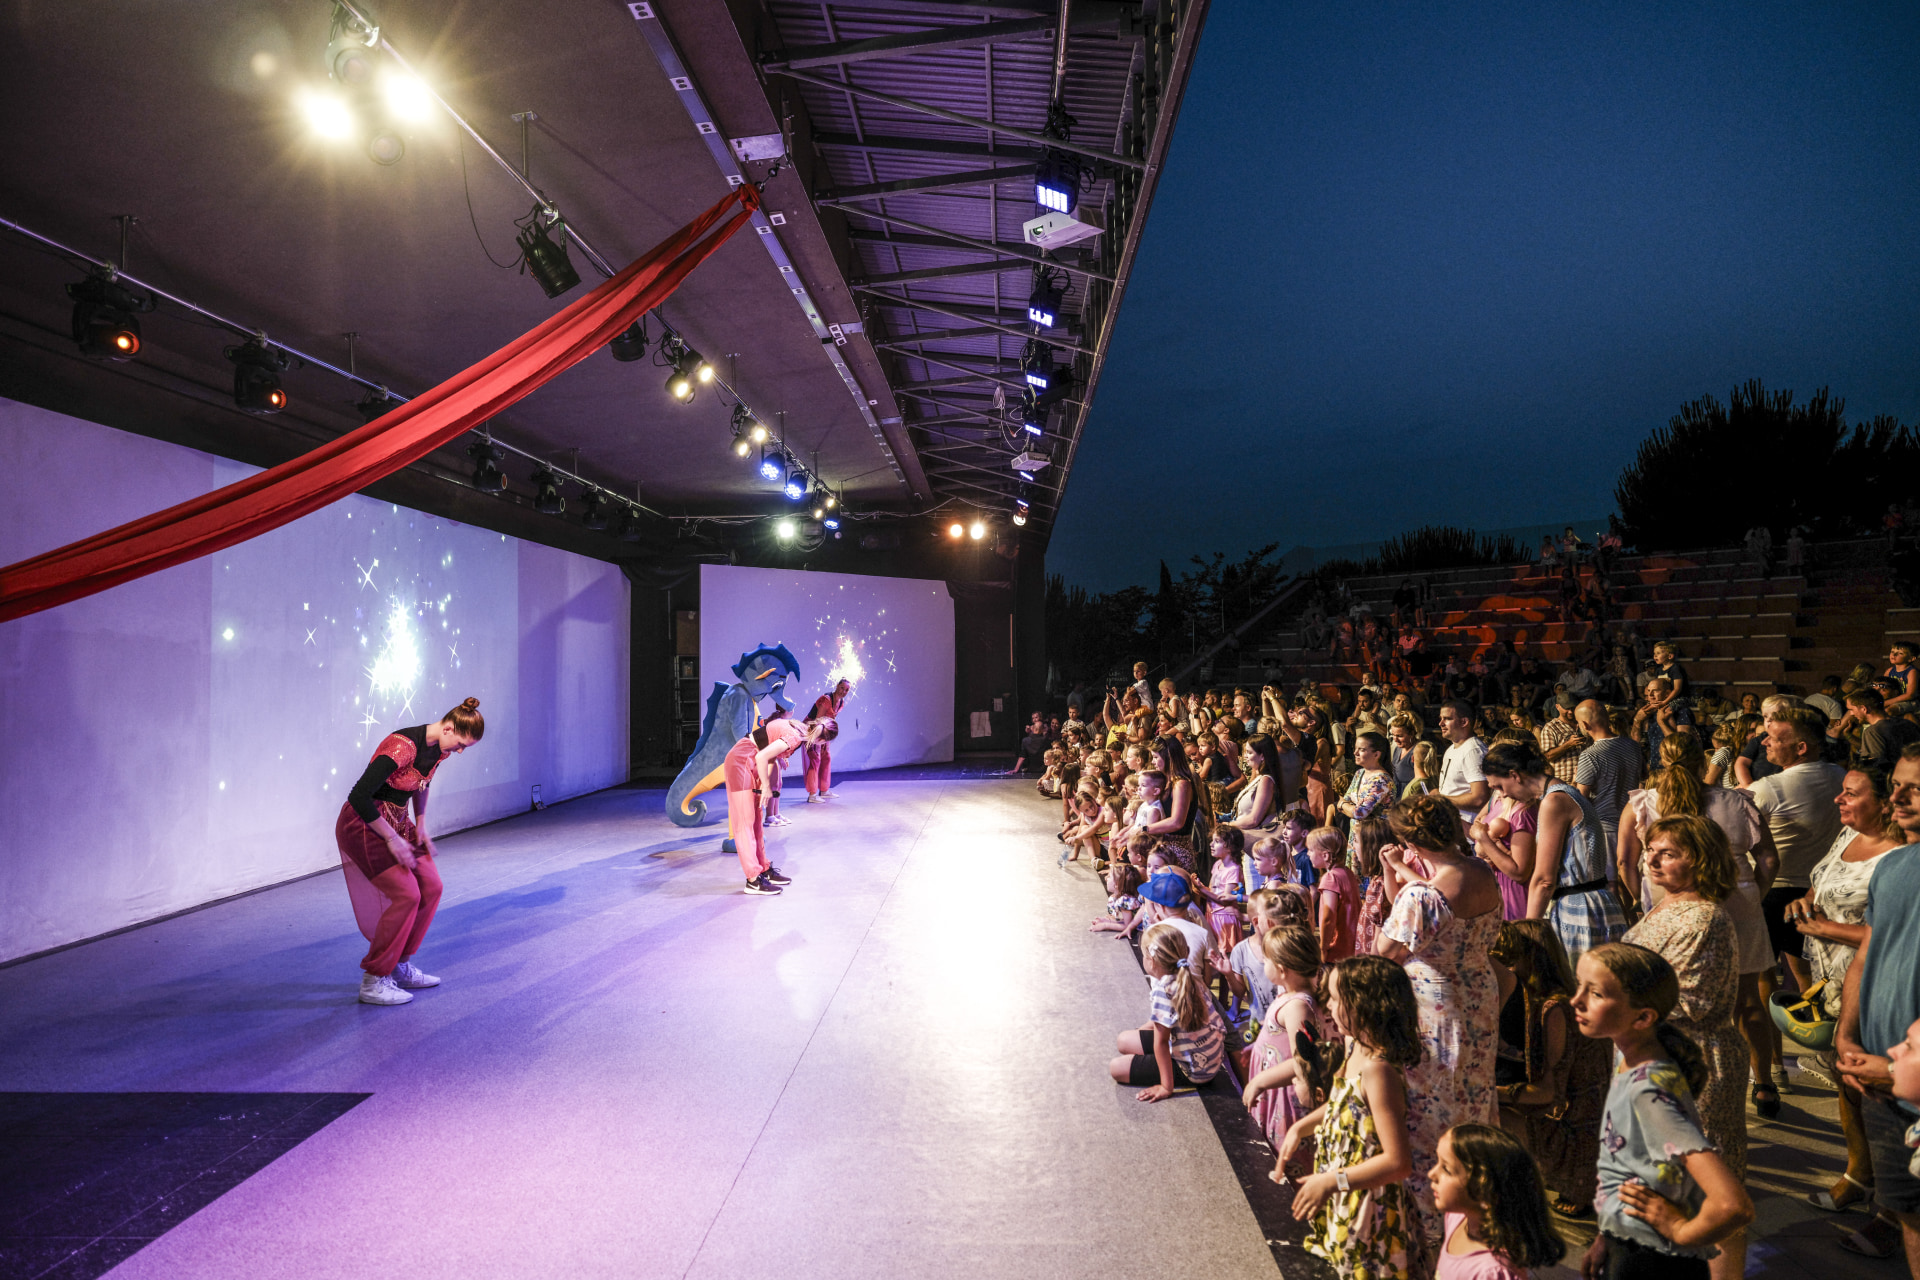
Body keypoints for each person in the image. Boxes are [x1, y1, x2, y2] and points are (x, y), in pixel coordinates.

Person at [1616, 732, 1780, 1114]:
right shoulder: (1735, 801)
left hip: (1667, 902)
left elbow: (1624, 862)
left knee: (1674, 998)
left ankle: (1684, 1084)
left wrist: (1644, 903)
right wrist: (1753, 892)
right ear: (1702, 760)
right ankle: (1765, 1085)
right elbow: (1769, 859)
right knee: (1748, 1001)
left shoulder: (1643, 803)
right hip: (1737, 899)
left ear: (1660, 760)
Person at [1573, 943, 1756, 1280]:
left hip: (1654, 1262)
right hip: (1630, 1244)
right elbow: (1631, 1167)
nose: (1576, 1000)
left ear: (1643, 1017)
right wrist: (1608, 1236)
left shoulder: (1648, 1091)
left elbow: (1733, 1204)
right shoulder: (1632, 1063)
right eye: (1579, 986)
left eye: (1596, 993)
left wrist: (1679, 1229)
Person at [1619, 816, 1750, 1280]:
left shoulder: (1704, 916)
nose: (1651, 859)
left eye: (1668, 853)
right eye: (1650, 849)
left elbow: (1685, 999)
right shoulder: (1666, 904)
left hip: (1693, 1062)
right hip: (1656, 1057)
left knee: (1709, 1186)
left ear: (1702, 860)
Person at [1377, 793, 1504, 1246]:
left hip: (1435, 1006)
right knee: (1471, 1092)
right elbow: (1424, 909)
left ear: (1413, 840)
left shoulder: (1422, 895)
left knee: (1432, 1102)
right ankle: (1475, 1206)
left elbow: (1387, 950)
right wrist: (1404, 875)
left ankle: (1431, 1224)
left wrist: (1398, 875)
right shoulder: (1481, 873)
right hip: (1479, 997)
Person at [1791, 765, 1905, 1219]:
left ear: (1882, 803)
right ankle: (1860, 1172)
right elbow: (1822, 884)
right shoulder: (1845, 837)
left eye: (1851, 794)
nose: (1839, 800)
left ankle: (1888, 1199)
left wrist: (1826, 927)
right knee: (1845, 1079)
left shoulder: (1898, 856)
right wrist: (1806, 900)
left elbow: (1896, 933)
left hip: (1874, 982)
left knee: (1873, 1086)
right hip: (1829, 980)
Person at [1277, 955, 1424, 1280]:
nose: (1328, 1007)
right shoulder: (1355, 1046)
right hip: (1343, 1190)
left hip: (1367, 1206)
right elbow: (1343, 1104)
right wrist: (1301, 1127)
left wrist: (1332, 1181)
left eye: (1337, 999)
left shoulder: (1379, 1071)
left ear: (1365, 1006)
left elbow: (1398, 1162)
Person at [337, 697, 484, 1006]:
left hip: (399, 821)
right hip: (365, 825)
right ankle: (374, 979)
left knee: (431, 887)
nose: (459, 751)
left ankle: (399, 965)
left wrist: (421, 823)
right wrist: (391, 839)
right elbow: (359, 796)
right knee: (408, 895)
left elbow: (422, 783)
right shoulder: (401, 746)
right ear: (447, 728)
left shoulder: (439, 749)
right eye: (460, 744)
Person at [1835, 745, 1920, 1275]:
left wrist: (1902, 1070)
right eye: (1897, 783)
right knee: (1909, 1215)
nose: (1898, 796)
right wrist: (1847, 1036)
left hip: (1907, 1079)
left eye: (1915, 787)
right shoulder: (1892, 865)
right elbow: (1870, 950)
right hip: (1881, 1083)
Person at [1489, 920, 1609, 1218]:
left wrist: (1489, 1092)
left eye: (1509, 958)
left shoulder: (1553, 1008)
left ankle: (1554, 1186)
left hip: (1575, 1127)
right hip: (1583, 1116)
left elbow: (1548, 1092)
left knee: (1490, 1113)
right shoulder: (1552, 998)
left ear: (1528, 957)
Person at [1481, 739, 1626, 964]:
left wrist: (1529, 932)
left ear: (1515, 775)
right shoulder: (1562, 793)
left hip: (1580, 909)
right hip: (1592, 902)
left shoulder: (1554, 801)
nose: (1504, 795)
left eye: (1500, 786)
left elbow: (1544, 880)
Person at [1749, 706, 1847, 995]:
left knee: (1762, 976)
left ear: (1801, 747)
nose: (1764, 742)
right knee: (1807, 974)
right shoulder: (1840, 775)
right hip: (1820, 889)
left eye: (1773, 738)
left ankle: (1768, 1039)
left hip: (1775, 889)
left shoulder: (1769, 788)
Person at [1429, 1124, 1565, 1279]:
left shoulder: (1492, 1272)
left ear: (1483, 1188)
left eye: (1446, 1169)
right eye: (1437, 1162)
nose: (1431, 1174)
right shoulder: (1457, 1218)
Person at [1108, 921, 1226, 1100]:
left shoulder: (1163, 990)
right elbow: (1162, 1024)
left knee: (1116, 1068)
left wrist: (1165, 1087)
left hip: (1195, 1068)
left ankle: (1169, 1078)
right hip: (1206, 1055)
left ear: (1152, 961)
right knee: (1124, 1040)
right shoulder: (1190, 977)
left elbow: (1161, 1043)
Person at [1242, 924, 1323, 1163]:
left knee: (1287, 1155)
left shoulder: (1298, 1006)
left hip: (1284, 1094)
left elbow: (1303, 1060)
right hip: (1274, 1087)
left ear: (1281, 968)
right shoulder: (1288, 995)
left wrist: (1260, 1081)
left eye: (1266, 959)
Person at [724, 716, 818, 895]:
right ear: (820, 740)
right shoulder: (795, 736)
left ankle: (762, 869)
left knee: (756, 822)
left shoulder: (797, 728)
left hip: (750, 762)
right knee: (745, 823)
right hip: (740, 761)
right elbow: (762, 755)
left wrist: (778, 758)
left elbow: (766, 747)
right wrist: (766, 786)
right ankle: (752, 881)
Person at [1574, 698, 1641, 861]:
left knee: (1610, 881)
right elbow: (1643, 775)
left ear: (1585, 725)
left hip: (1604, 826)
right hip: (1632, 822)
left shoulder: (1590, 755)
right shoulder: (1632, 745)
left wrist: (1575, 780)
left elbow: (1580, 799)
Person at [1309, 826, 1361, 962]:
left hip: (1337, 947)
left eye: (1310, 850)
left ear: (1325, 855)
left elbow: (1329, 915)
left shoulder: (1330, 878)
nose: (1308, 854)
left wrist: (1323, 947)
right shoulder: (1348, 873)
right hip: (1352, 944)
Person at [1435, 699, 1490, 826]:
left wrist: (1441, 799)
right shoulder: (1451, 748)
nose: (1440, 723)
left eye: (1447, 718)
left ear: (1464, 722)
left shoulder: (1473, 750)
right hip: (1453, 827)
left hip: (1468, 832)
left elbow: (1479, 798)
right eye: (1441, 718)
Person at [802, 678, 850, 800]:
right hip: (813, 730)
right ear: (837, 686)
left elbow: (830, 721)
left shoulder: (841, 702)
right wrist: (818, 741)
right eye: (842, 688)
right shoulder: (827, 699)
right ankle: (812, 795)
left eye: (846, 690)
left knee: (826, 757)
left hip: (824, 731)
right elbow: (817, 721)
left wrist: (826, 739)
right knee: (815, 759)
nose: (843, 691)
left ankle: (824, 790)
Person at [1539, 692, 1591, 786]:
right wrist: (1568, 745)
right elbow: (1547, 756)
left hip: (1586, 780)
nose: (1570, 712)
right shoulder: (1550, 728)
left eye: (1573, 708)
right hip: (1563, 782)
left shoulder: (1584, 724)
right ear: (1557, 706)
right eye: (1566, 708)